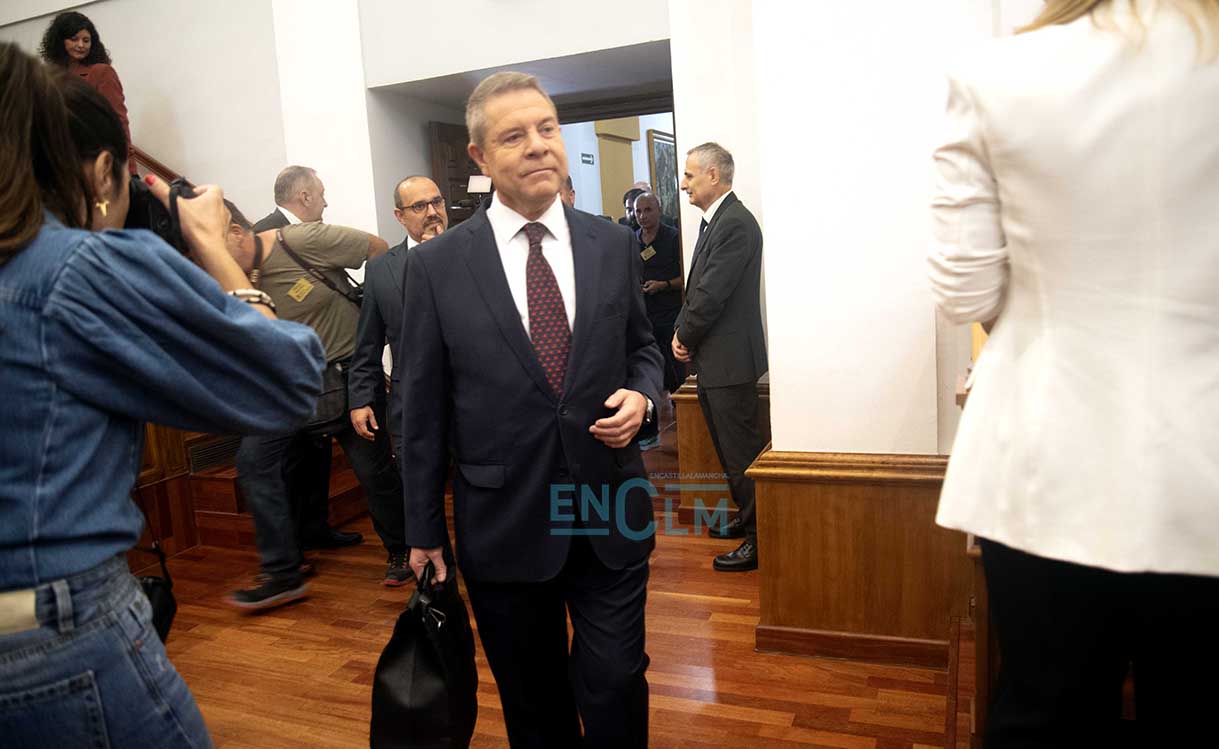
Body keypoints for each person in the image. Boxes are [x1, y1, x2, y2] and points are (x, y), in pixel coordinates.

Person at [0, 45, 324, 747]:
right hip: (49, 634)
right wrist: (212, 244)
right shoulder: (76, 269)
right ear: (102, 173)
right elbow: (290, 383)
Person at [928, 1, 1219, 746]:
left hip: (1047, 455)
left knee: (1046, 712)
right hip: (1205, 467)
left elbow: (964, 291)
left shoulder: (999, 73)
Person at [400, 71, 663, 747]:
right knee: (534, 702)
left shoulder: (611, 243)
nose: (539, 145)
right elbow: (421, 410)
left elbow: (642, 348)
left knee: (614, 679)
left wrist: (643, 395)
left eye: (547, 128)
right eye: (514, 136)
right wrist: (423, 529)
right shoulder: (436, 267)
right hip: (505, 518)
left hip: (607, 501)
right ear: (481, 157)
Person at [225, 210, 412, 607]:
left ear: (236, 233)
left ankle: (402, 550)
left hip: (346, 379)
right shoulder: (234, 274)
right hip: (289, 386)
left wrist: (373, 323)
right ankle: (283, 569)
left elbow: (377, 249)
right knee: (254, 461)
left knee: (374, 472)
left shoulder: (302, 240)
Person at [253, 166, 362, 553]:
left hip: (319, 368)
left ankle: (316, 529)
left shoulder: (312, 237)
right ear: (304, 197)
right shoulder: (261, 237)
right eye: (321, 194)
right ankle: (291, 548)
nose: (326, 202)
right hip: (286, 373)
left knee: (317, 456)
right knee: (292, 462)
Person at [674, 142, 767, 572]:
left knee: (741, 455)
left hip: (730, 363)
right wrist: (682, 330)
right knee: (731, 455)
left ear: (714, 175)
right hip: (717, 362)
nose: (683, 184)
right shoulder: (718, 221)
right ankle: (748, 521)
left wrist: (683, 335)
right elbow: (698, 288)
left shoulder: (735, 224)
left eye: (690, 175)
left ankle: (760, 538)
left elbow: (711, 295)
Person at [349, 175, 448, 461]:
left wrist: (442, 258)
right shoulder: (381, 269)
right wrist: (361, 399)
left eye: (437, 202)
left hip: (471, 403)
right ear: (399, 216)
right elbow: (368, 342)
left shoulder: (472, 256)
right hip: (413, 407)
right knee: (417, 485)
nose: (432, 212)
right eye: (419, 206)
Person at [39, 11, 136, 174]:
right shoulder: (48, 78)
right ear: (59, 41)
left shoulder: (101, 72)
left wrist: (126, 169)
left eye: (86, 40)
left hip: (98, 166)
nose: (81, 45)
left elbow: (118, 122)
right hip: (61, 168)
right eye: (74, 39)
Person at [633, 191, 685, 451]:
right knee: (648, 375)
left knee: (676, 374)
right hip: (643, 317)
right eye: (638, 211)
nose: (642, 216)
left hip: (669, 315)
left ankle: (684, 428)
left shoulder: (674, 238)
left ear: (659, 210)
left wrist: (663, 285)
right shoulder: (632, 240)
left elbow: (686, 277)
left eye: (648, 210)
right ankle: (649, 432)